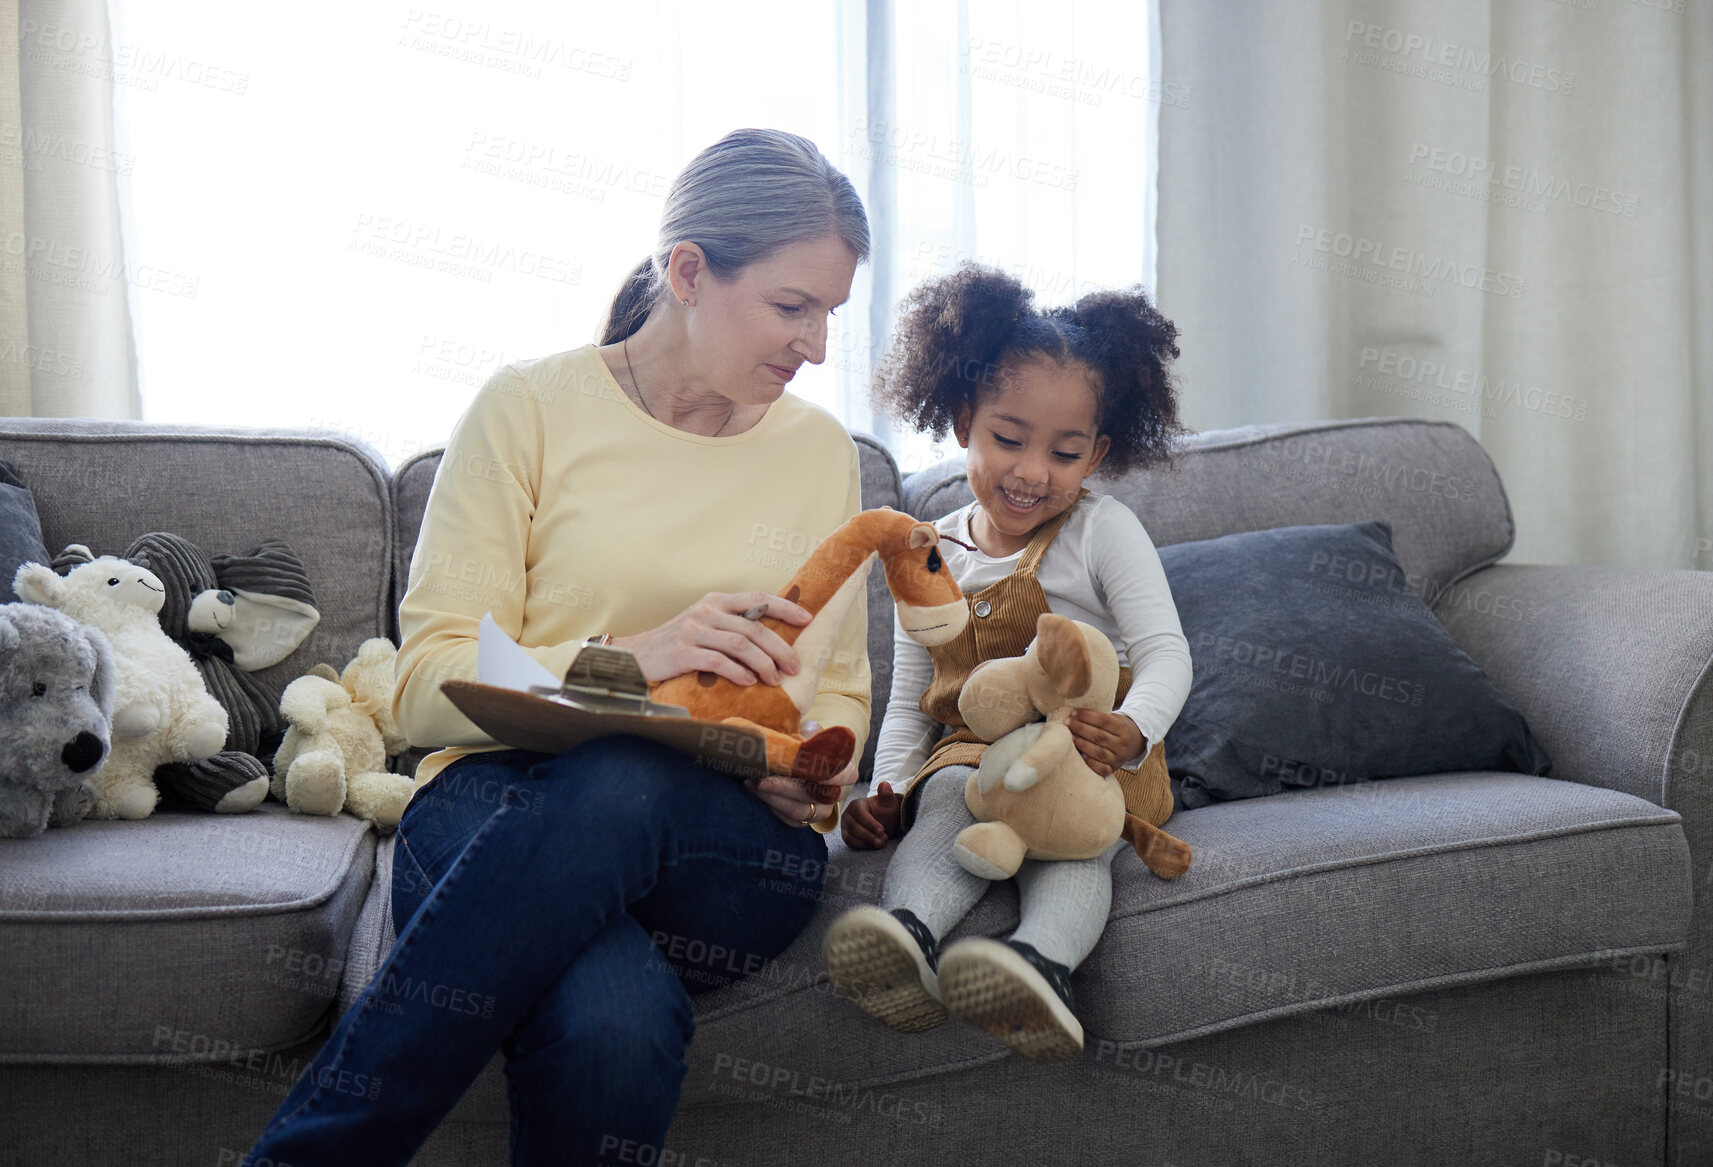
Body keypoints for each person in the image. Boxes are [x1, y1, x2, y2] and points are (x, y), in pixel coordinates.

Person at [245, 128, 873, 1166]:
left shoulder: (817, 453)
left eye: (830, 315)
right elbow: (422, 684)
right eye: (791, 307)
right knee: (606, 1020)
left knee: (628, 778)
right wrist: (637, 656)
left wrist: (817, 771)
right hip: (495, 796)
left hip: (728, 850)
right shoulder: (528, 409)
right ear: (687, 272)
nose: (814, 348)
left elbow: (836, 689)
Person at [825, 262, 1195, 1062]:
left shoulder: (1104, 532)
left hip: (1089, 748)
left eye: (1063, 453)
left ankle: (1041, 967)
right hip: (974, 750)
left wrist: (1130, 730)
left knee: (1073, 828)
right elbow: (911, 695)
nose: (1032, 471)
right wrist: (886, 787)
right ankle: (907, 937)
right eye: (1008, 439)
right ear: (963, 420)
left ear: (1096, 453)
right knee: (950, 787)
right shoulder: (935, 551)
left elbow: (1165, 652)